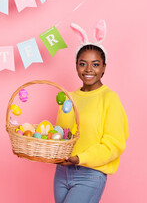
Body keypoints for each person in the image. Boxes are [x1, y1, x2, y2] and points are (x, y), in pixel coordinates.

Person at [54, 20, 129, 203]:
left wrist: (80, 158)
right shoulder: (69, 98)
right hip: (61, 173)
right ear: (76, 65)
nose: (88, 69)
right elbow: (62, 135)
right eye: (83, 64)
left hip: (90, 175)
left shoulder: (109, 98)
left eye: (95, 64)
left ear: (104, 67)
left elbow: (114, 144)